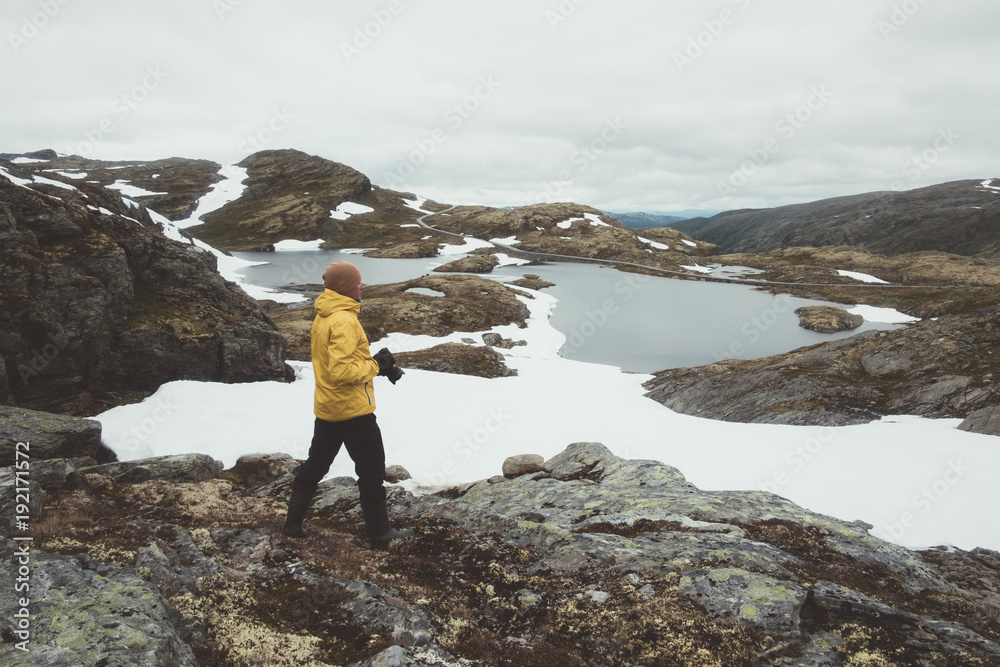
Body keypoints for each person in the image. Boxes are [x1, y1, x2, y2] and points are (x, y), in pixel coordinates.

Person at [282, 260, 412, 550]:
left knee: (315, 466)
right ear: (345, 287)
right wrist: (376, 366)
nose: (362, 285)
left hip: (328, 408)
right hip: (353, 412)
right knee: (372, 473)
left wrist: (368, 362)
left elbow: (333, 366)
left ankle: (292, 526)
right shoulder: (343, 319)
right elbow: (342, 373)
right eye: (358, 282)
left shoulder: (325, 315)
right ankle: (380, 535)